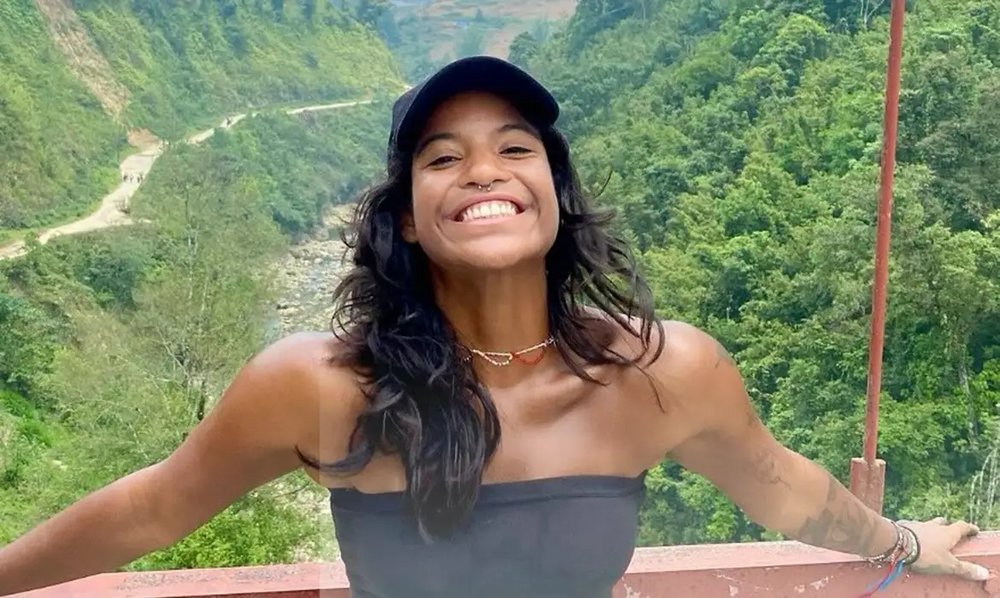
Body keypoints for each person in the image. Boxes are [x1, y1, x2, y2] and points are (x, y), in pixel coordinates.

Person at [0, 56, 990, 598]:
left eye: (515, 149)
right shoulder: (321, 387)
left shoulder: (659, 371)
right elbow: (151, 508)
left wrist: (900, 540)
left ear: (554, 193)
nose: (483, 169)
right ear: (405, 218)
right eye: (443, 157)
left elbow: (779, 483)